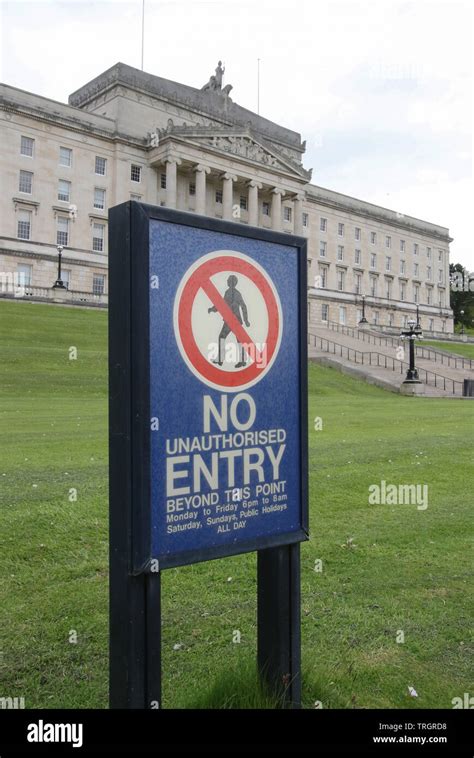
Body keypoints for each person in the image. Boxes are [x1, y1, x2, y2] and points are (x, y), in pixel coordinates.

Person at [208, 275, 250, 368]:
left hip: (233, 320)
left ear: (232, 282)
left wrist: (246, 320)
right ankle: (223, 359)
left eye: (228, 280)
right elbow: (221, 304)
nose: (227, 281)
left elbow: (243, 306)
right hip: (230, 320)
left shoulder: (234, 293)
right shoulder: (230, 292)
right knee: (227, 338)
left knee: (226, 337)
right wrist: (212, 309)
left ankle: (224, 359)